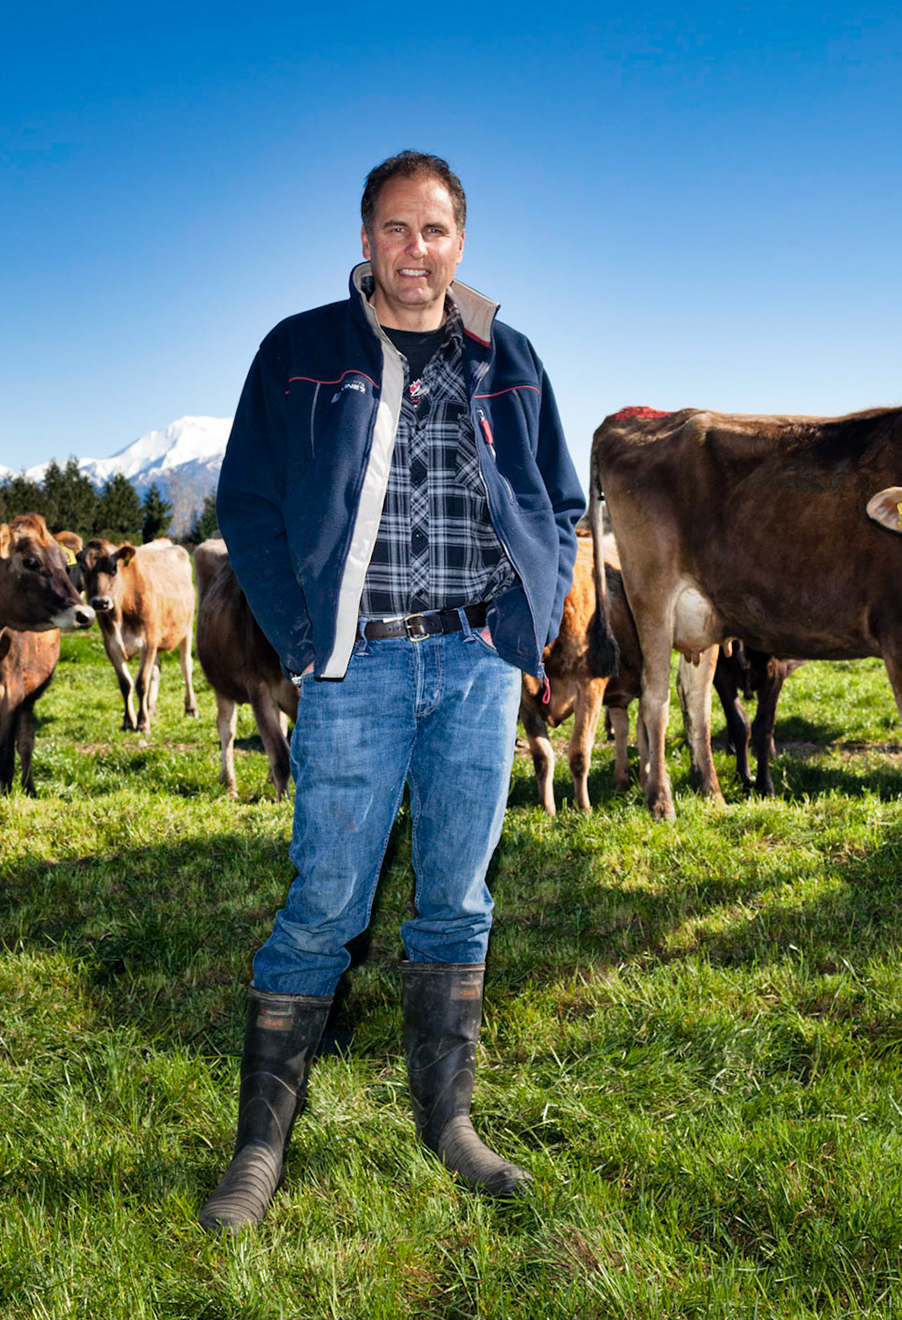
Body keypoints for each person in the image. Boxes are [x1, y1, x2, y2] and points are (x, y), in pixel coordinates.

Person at [202, 151, 583, 1232]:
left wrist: (528, 620)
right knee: (326, 903)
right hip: (356, 666)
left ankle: (450, 1122)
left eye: (435, 231)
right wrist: (299, 636)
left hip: (475, 664)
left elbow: (558, 501)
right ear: (365, 237)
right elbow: (249, 502)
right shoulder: (300, 351)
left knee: (458, 898)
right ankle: (258, 1149)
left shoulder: (509, 354)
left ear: (461, 242)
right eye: (396, 229)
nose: (417, 251)